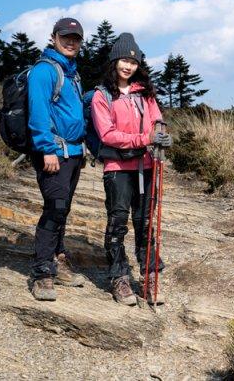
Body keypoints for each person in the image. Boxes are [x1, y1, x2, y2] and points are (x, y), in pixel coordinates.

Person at [91, 33, 171, 305]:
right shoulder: (102, 95)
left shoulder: (144, 92)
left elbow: (156, 120)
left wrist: (161, 133)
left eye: (133, 62)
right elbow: (107, 135)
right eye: (124, 60)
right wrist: (143, 140)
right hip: (117, 167)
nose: (128, 66)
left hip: (146, 165)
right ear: (114, 60)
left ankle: (149, 275)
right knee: (117, 224)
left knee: (145, 222)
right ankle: (119, 278)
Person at [28, 17, 87, 301]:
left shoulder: (72, 73)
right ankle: (42, 273)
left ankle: (57, 261)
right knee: (54, 209)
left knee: (63, 209)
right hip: (53, 153)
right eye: (65, 37)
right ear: (53, 37)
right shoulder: (44, 71)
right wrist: (46, 148)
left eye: (76, 38)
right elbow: (37, 113)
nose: (71, 42)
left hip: (73, 153)